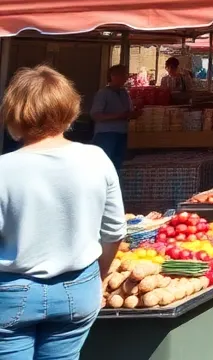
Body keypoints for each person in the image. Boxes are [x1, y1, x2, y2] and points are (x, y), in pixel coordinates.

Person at [0, 66, 125, 359]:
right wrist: (101, 276)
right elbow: (114, 231)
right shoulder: (96, 158)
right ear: (69, 108)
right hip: (78, 287)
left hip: (12, 289)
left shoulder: (4, 169)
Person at [90, 64, 138, 172]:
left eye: (126, 75)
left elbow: (129, 111)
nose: (125, 78)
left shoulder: (124, 93)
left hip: (122, 133)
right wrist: (119, 115)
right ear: (113, 76)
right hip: (106, 134)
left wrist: (135, 113)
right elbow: (96, 115)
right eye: (123, 75)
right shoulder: (103, 94)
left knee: (117, 165)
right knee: (103, 166)